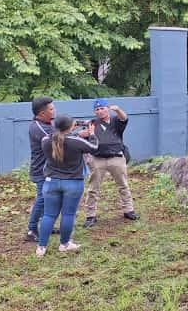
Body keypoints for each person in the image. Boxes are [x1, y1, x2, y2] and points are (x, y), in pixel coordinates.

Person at [37, 114, 99, 257]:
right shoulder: (76, 142)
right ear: (71, 127)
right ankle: (64, 244)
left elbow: (61, 138)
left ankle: (41, 247)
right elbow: (94, 147)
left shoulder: (45, 140)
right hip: (73, 183)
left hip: (51, 183)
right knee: (68, 214)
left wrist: (71, 130)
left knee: (48, 215)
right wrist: (92, 134)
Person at [82, 99, 139, 228]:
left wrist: (117, 109)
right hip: (97, 159)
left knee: (123, 185)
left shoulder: (115, 121)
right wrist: (83, 134)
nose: (100, 111)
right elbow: (83, 136)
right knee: (93, 188)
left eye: (102, 108)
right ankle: (90, 215)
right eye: (97, 109)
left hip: (116, 157)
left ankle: (128, 210)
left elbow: (124, 118)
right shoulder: (92, 123)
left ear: (107, 108)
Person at [25, 96, 55, 242]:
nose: (54, 111)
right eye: (51, 109)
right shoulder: (38, 127)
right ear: (42, 113)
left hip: (49, 169)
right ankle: (31, 230)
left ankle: (46, 226)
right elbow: (58, 140)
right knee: (42, 199)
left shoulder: (47, 123)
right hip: (41, 170)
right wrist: (77, 134)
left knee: (48, 198)